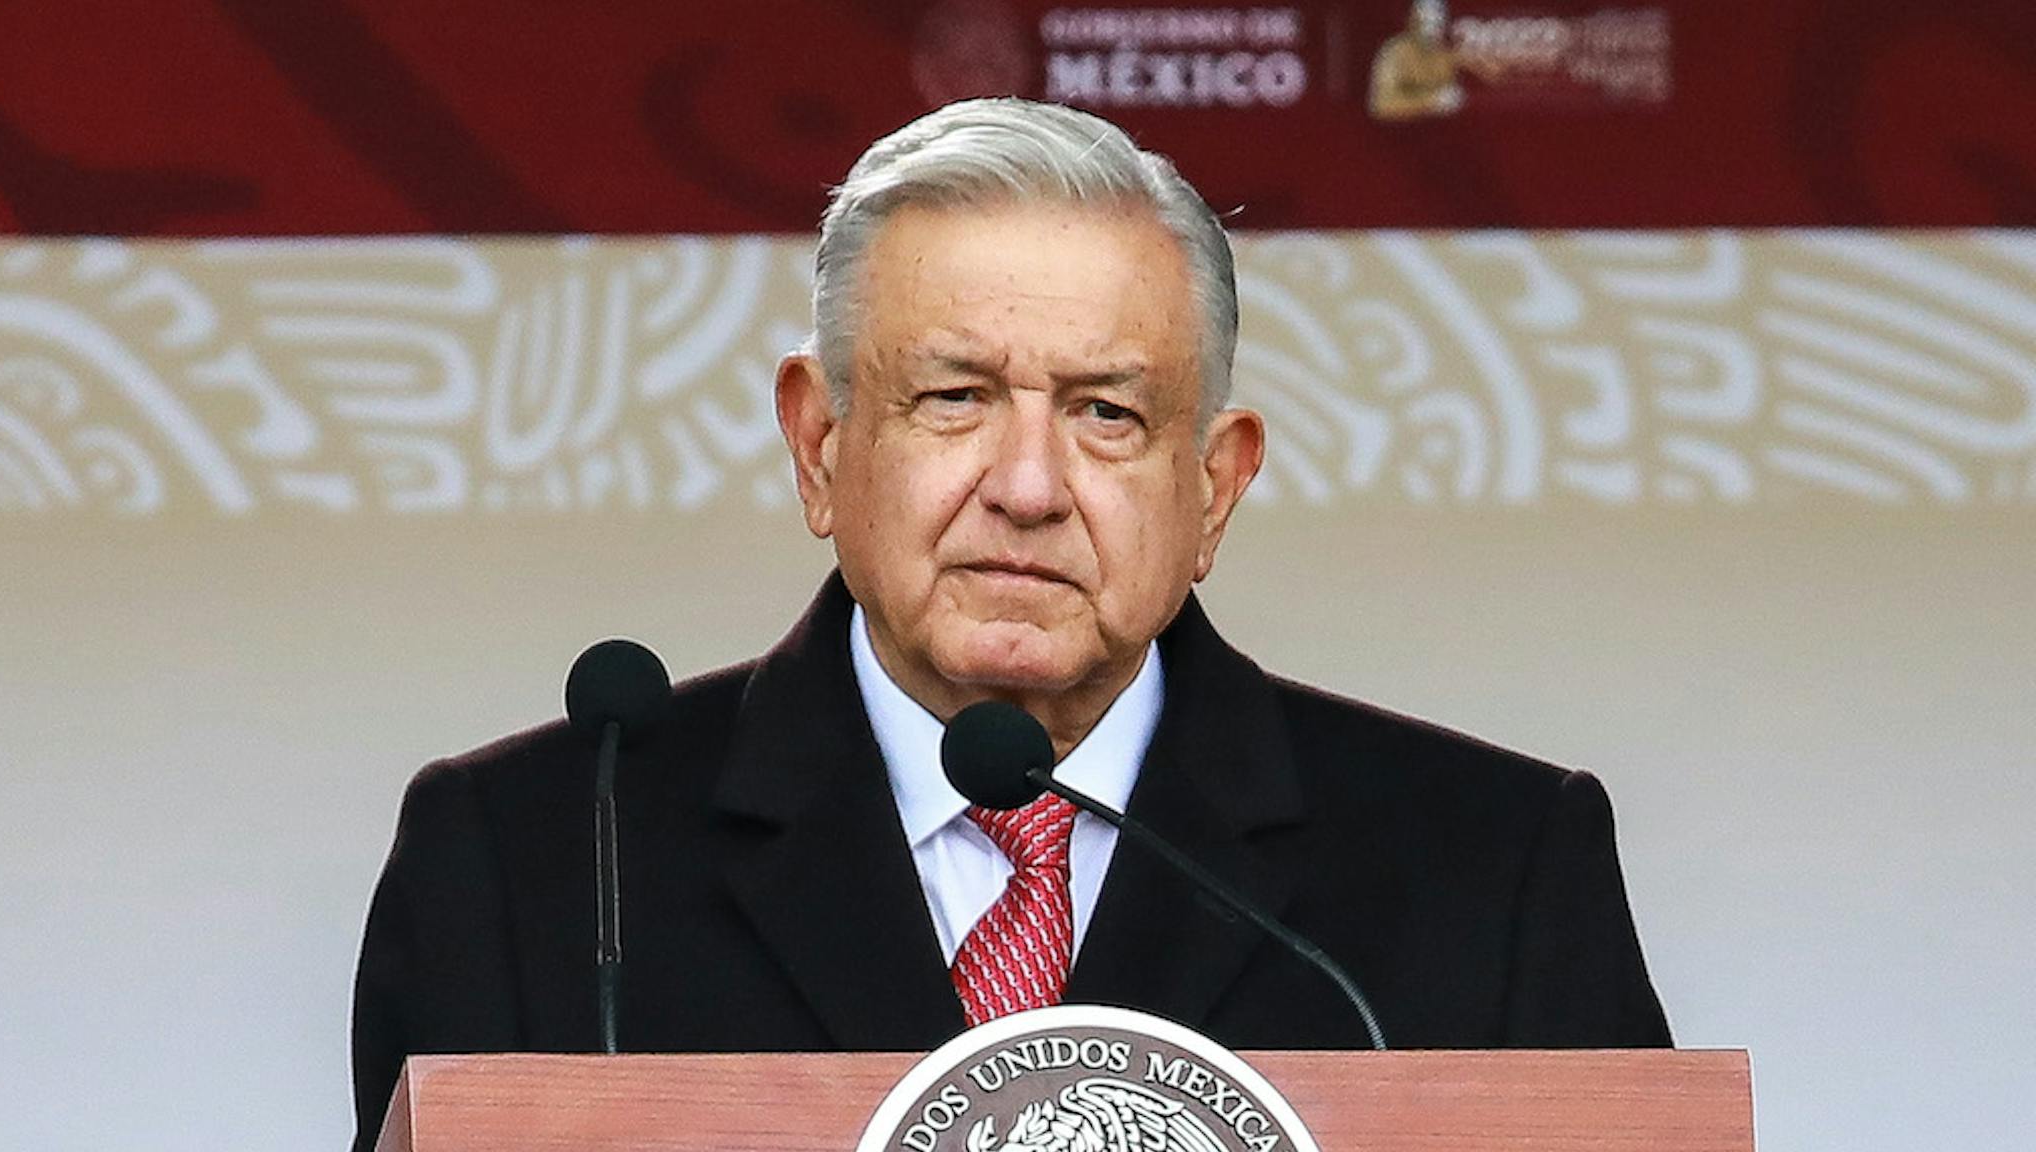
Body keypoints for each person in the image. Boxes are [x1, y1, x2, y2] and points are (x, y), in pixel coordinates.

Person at [349, 97, 1669, 1152]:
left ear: (1213, 490)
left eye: (1107, 413)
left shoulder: (1493, 868)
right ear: (819, 446)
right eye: (956, 398)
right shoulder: (536, 862)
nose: (1028, 488)